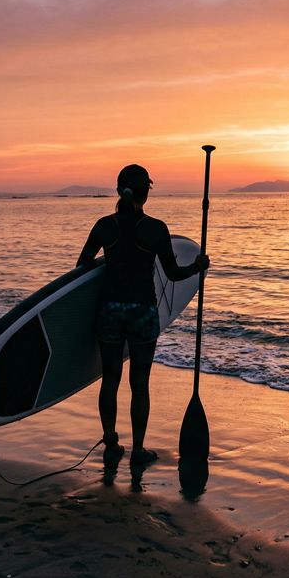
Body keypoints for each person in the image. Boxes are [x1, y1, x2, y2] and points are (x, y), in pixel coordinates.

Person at [77, 164, 209, 465]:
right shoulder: (155, 229)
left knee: (109, 379)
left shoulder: (103, 226)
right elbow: (174, 274)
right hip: (142, 312)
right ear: (145, 193)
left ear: (119, 190)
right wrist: (198, 267)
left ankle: (111, 443)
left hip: (109, 310)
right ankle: (137, 450)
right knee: (140, 383)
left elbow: (82, 266)